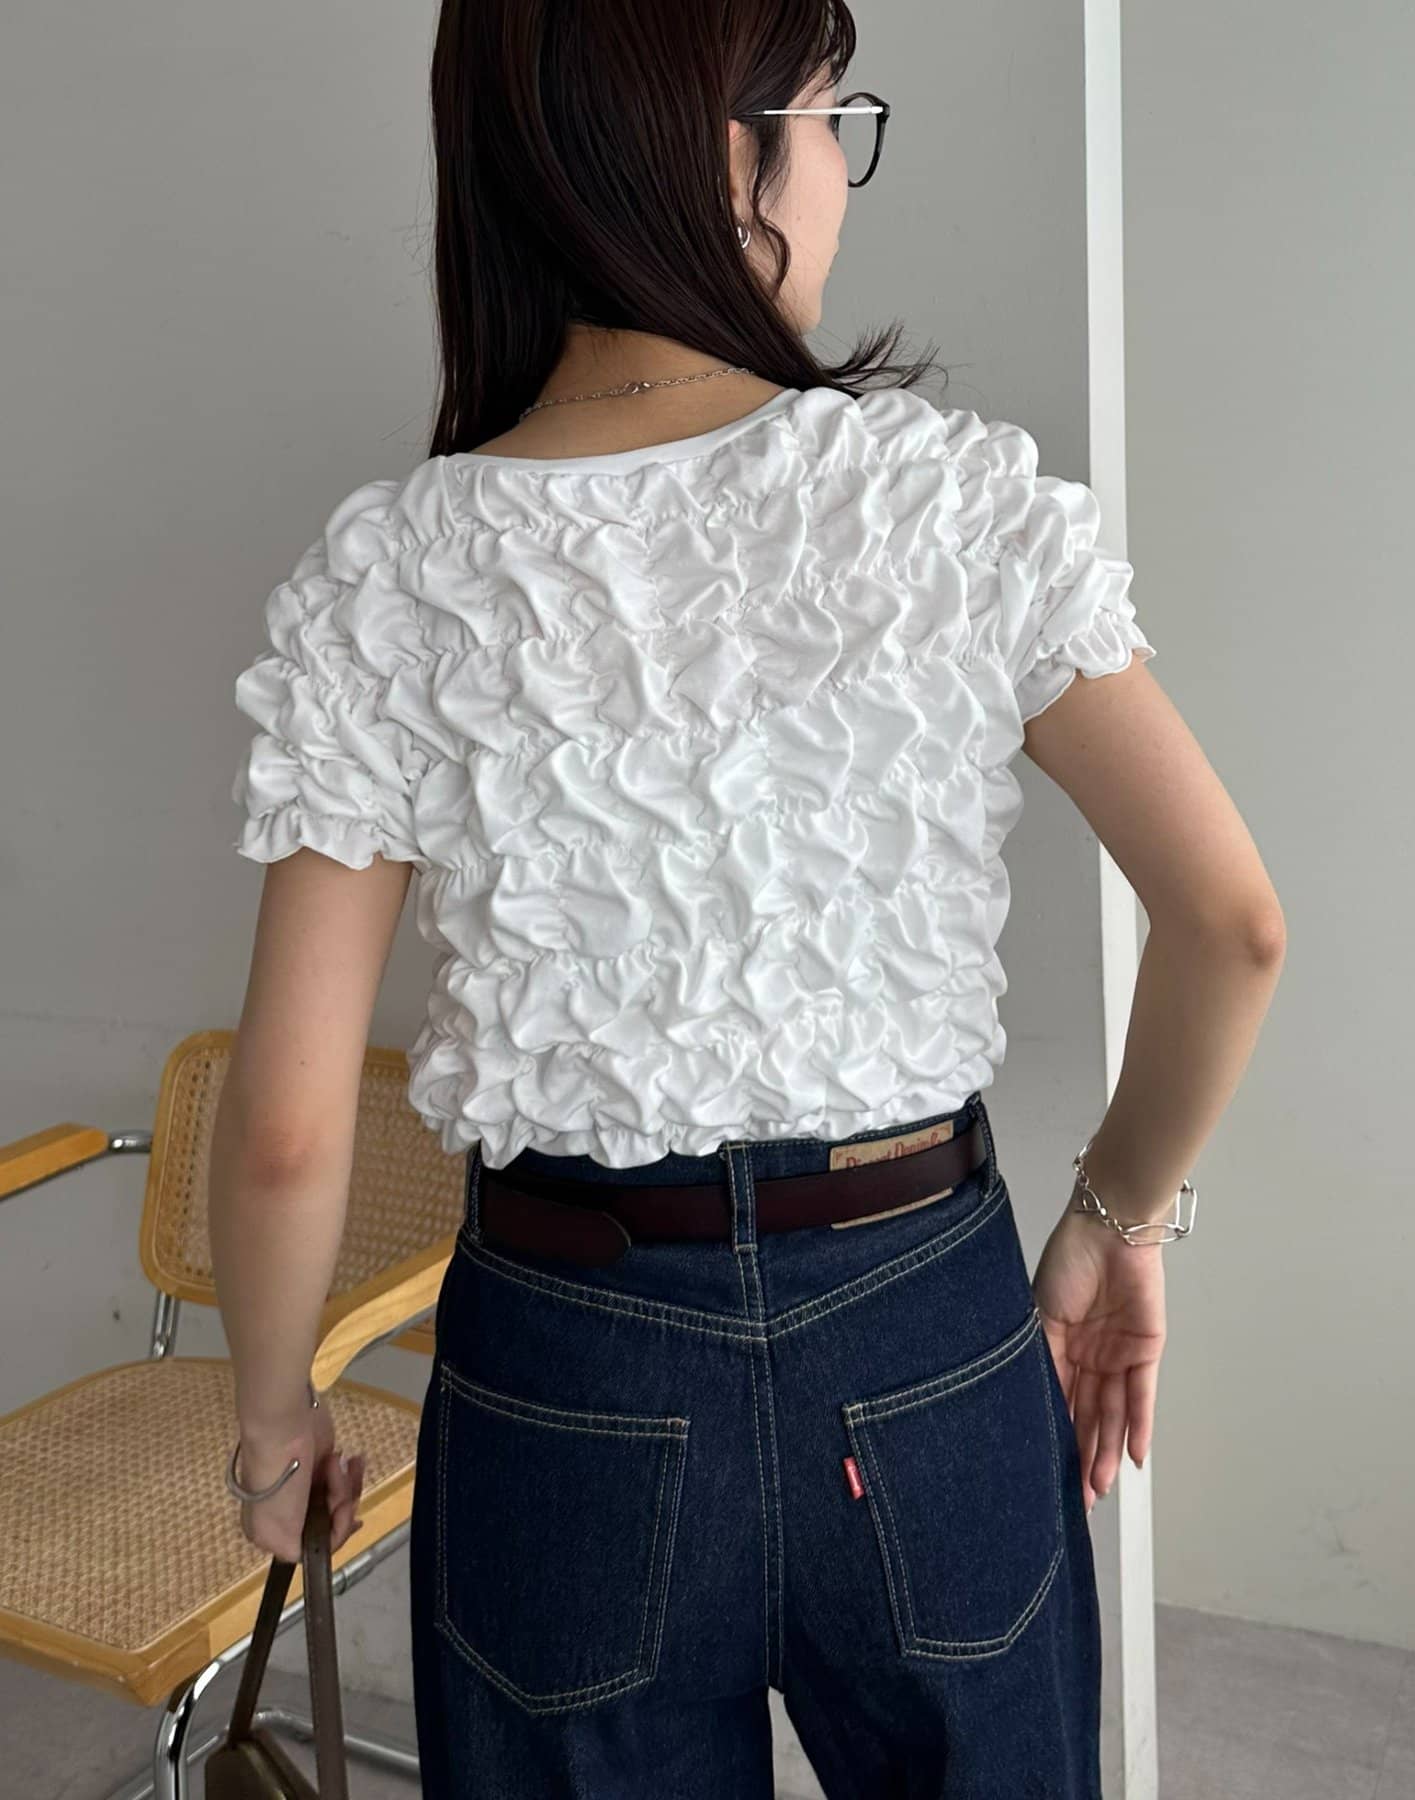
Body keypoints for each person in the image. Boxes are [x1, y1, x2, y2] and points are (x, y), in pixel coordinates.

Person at [209, 2, 1286, 1795]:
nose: (840, 176)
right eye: (830, 123)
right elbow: (1233, 923)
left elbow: (286, 1133)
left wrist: (272, 1420)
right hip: (922, 1315)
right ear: (728, 152)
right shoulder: (953, 502)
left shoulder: (388, 577)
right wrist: (1121, 1217)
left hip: (569, 1362)